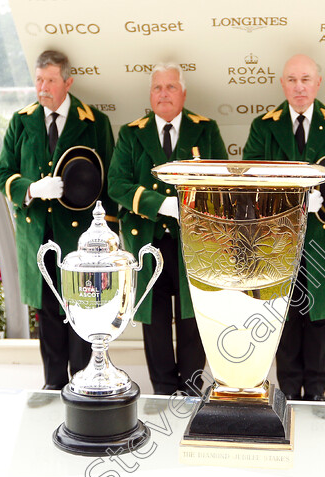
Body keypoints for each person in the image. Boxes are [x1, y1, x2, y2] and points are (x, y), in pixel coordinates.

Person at [0, 50, 117, 390]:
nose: (43, 87)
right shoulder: (22, 120)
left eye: (50, 80)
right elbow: (2, 174)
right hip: (38, 235)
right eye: (38, 80)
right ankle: (51, 386)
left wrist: (106, 238)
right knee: (47, 314)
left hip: (79, 239)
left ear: (68, 82)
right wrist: (31, 188)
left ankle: (82, 383)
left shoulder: (94, 122)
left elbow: (107, 186)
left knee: (81, 310)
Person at [243, 54, 325, 402]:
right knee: (284, 313)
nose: (299, 86)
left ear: (318, 83)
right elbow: (251, 184)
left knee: (318, 315)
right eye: (292, 80)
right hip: (277, 239)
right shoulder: (264, 125)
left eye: (306, 79)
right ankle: (289, 389)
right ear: (282, 84)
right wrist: (294, 201)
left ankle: (316, 391)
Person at [108, 62, 227, 395]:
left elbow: (221, 181)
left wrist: (188, 206)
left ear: (183, 93)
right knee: (155, 320)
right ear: (150, 94)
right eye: (157, 88)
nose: (164, 93)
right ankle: (162, 389)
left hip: (195, 240)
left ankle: (191, 388)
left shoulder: (205, 129)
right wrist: (160, 205)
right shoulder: (132, 133)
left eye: (170, 87)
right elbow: (117, 184)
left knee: (192, 316)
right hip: (148, 241)